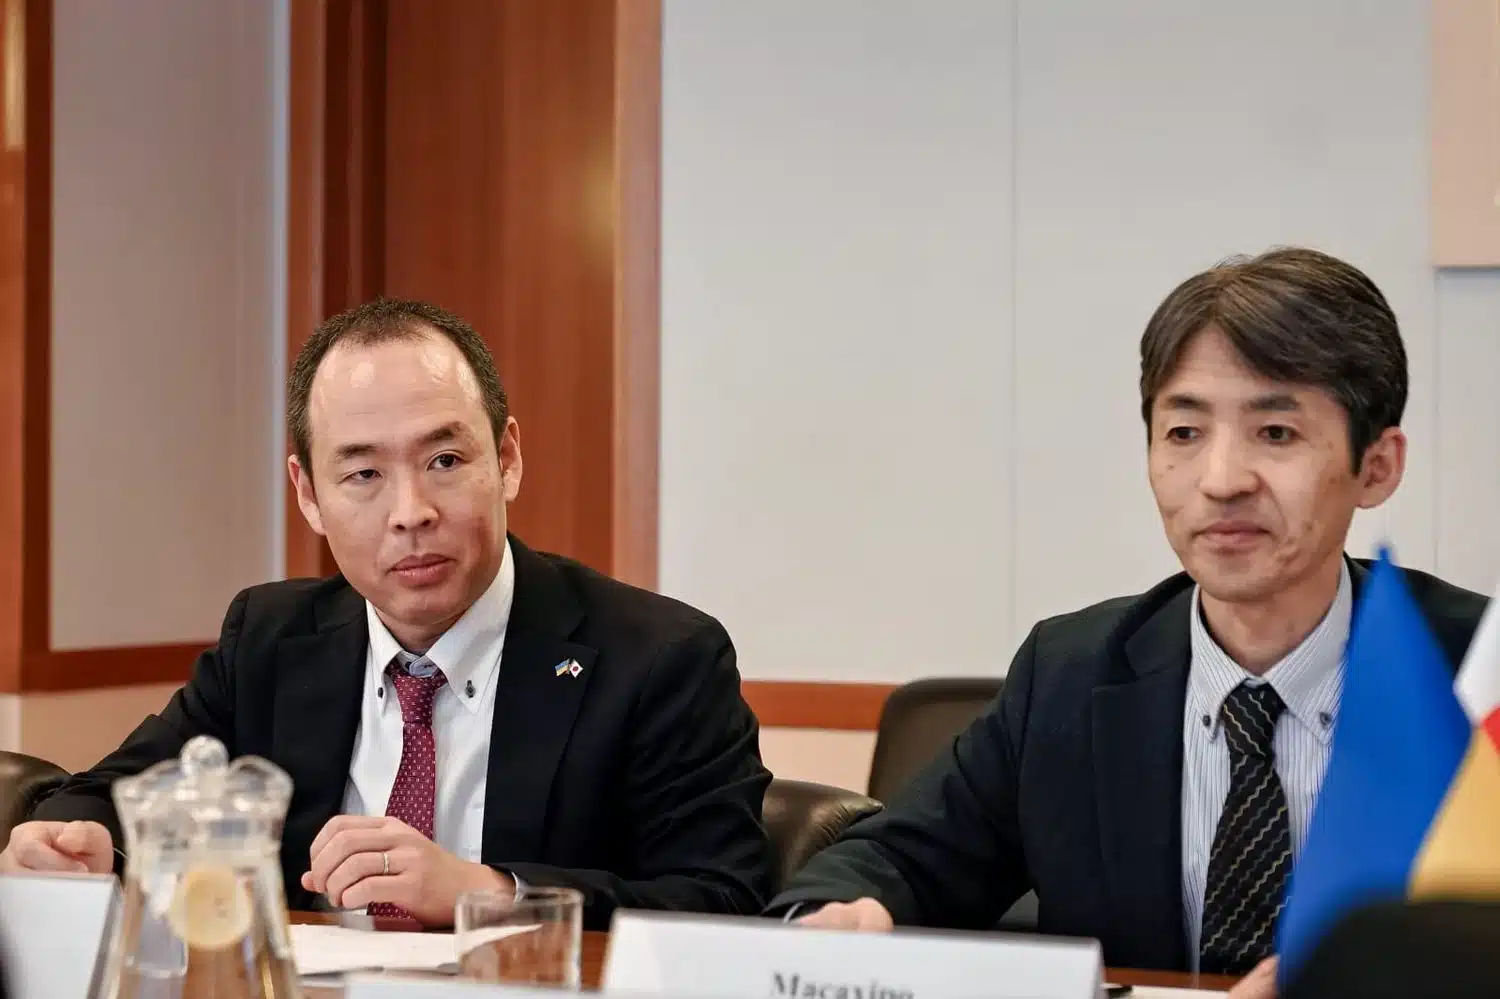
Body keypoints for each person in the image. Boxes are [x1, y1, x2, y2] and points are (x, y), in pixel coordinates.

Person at [769, 248, 1488, 990]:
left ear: (1377, 466)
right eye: (1184, 433)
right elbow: (896, 859)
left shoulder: (1477, 673)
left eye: (1275, 432)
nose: (1221, 481)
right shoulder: (1071, 672)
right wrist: (832, 918)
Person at [0, 299, 774, 928]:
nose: (411, 512)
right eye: (364, 474)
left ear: (506, 458)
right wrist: (74, 840)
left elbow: (724, 900)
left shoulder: (660, 657)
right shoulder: (270, 639)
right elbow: (111, 791)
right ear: (309, 495)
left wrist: (486, 891)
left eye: (445, 460)